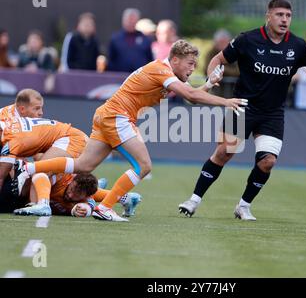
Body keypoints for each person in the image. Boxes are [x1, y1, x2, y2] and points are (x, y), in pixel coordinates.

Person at [20, 39, 248, 222]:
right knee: (144, 166)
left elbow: (193, 96)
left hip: (107, 114)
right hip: (117, 116)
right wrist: (226, 102)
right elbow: (190, 95)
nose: (192, 69)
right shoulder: (162, 70)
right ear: (175, 60)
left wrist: (209, 84)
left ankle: (29, 168)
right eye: (190, 64)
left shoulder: (166, 72)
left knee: (83, 166)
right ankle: (106, 207)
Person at [178, 0, 306, 221]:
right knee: (223, 153)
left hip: (272, 113)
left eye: (288, 16)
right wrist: (213, 75)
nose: (284, 20)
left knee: (268, 161)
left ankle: (243, 206)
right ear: (268, 16)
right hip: (242, 107)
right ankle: (193, 200)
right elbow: (218, 59)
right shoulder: (248, 39)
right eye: (279, 15)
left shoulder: (297, 45)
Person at [107, 8, 154, 72]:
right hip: (119, 76)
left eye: (133, 20)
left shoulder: (145, 39)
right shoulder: (115, 39)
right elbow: (110, 60)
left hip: (140, 78)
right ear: (123, 20)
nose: (131, 22)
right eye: (129, 19)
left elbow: (150, 60)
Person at [204, 29, 240, 98]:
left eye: (224, 42)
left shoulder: (235, 52)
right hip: (216, 91)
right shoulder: (211, 53)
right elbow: (206, 69)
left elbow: (238, 71)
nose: (222, 45)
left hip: (234, 91)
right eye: (220, 43)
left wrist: (220, 69)